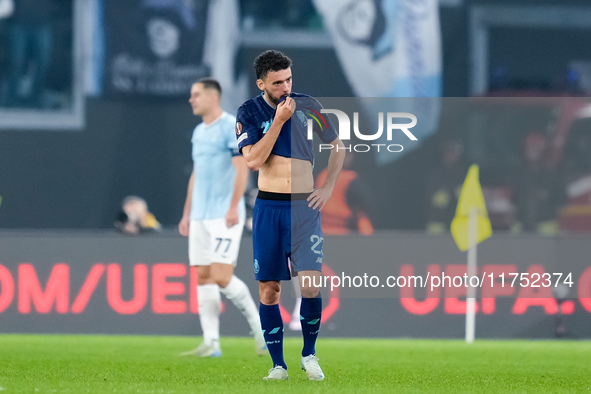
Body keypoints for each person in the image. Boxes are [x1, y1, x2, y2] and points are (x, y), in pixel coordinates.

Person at [236, 50, 345, 381]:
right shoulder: (249, 112)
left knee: (310, 284)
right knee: (269, 290)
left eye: (289, 80)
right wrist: (279, 121)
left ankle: (309, 355)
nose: (285, 87)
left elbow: (337, 145)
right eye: (277, 83)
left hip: (303, 207)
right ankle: (277, 365)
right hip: (269, 207)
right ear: (262, 83)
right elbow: (253, 160)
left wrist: (327, 189)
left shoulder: (309, 106)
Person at [178, 78, 267, 358]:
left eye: (195, 95)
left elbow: (243, 168)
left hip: (223, 214)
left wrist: (233, 206)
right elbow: (197, 172)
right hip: (201, 215)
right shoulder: (198, 132)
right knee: (203, 276)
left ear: (212, 97)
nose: (191, 99)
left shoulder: (231, 126)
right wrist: (187, 211)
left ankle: (261, 330)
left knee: (221, 275)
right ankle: (211, 343)